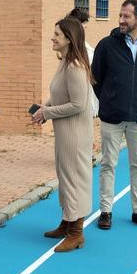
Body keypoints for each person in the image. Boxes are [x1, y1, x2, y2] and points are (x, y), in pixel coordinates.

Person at [91, 0, 137, 232]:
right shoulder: (106, 45)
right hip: (112, 116)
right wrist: (110, 100)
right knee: (108, 164)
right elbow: (96, 79)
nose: (121, 20)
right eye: (120, 15)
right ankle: (105, 211)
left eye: (126, 16)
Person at [32, 18, 93, 252]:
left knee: (74, 180)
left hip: (75, 134)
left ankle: (77, 232)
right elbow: (59, 95)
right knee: (65, 177)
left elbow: (78, 104)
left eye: (57, 34)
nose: (52, 37)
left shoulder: (75, 67)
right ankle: (68, 222)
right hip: (65, 132)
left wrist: (47, 113)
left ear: (69, 38)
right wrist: (43, 107)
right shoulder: (65, 62)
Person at [68, 7, 99, 118]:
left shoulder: (82, 44)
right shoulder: (73, 47)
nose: (85, 26)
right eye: (84, 23)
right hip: (80, 94)